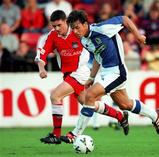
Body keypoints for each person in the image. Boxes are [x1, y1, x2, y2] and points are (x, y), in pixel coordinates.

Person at [60, 10, 159, 144]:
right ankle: (156, 116)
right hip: (106, 72)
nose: (75, 31)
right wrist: (91, 78)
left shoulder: (102, 28)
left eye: (77, 27)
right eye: (72, 28)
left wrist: (137, 36)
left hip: (117, 71)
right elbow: (98, 56)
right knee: (125, 104)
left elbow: (125, 19)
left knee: (89, 95)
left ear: (85, 24)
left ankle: (75, 134)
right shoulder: (84, 41)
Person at [35, 10, 129, 144]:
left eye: (59, 25)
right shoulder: (53, 36)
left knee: (55, 96)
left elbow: (97, 45)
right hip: (68, 75)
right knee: (89, 104)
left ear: (66, 21)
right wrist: (42, 68)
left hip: (81, 72)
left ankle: (55, 135)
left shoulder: (78, 32)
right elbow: (42, 54)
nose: (56, 29)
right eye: (53, 26)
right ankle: (120, 117)